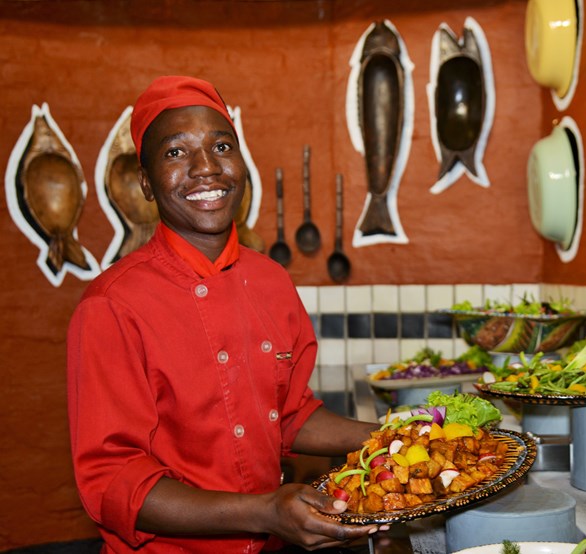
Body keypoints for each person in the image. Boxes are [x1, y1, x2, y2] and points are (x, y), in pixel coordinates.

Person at [66, 76, 386, 553]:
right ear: (146, 184)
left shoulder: (271, 281)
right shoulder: (112, 306)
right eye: (176, 153)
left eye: (222, 146)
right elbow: (112, 484)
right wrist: (263, 511)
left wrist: (390, 436)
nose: (205, 168)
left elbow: (288, 415)